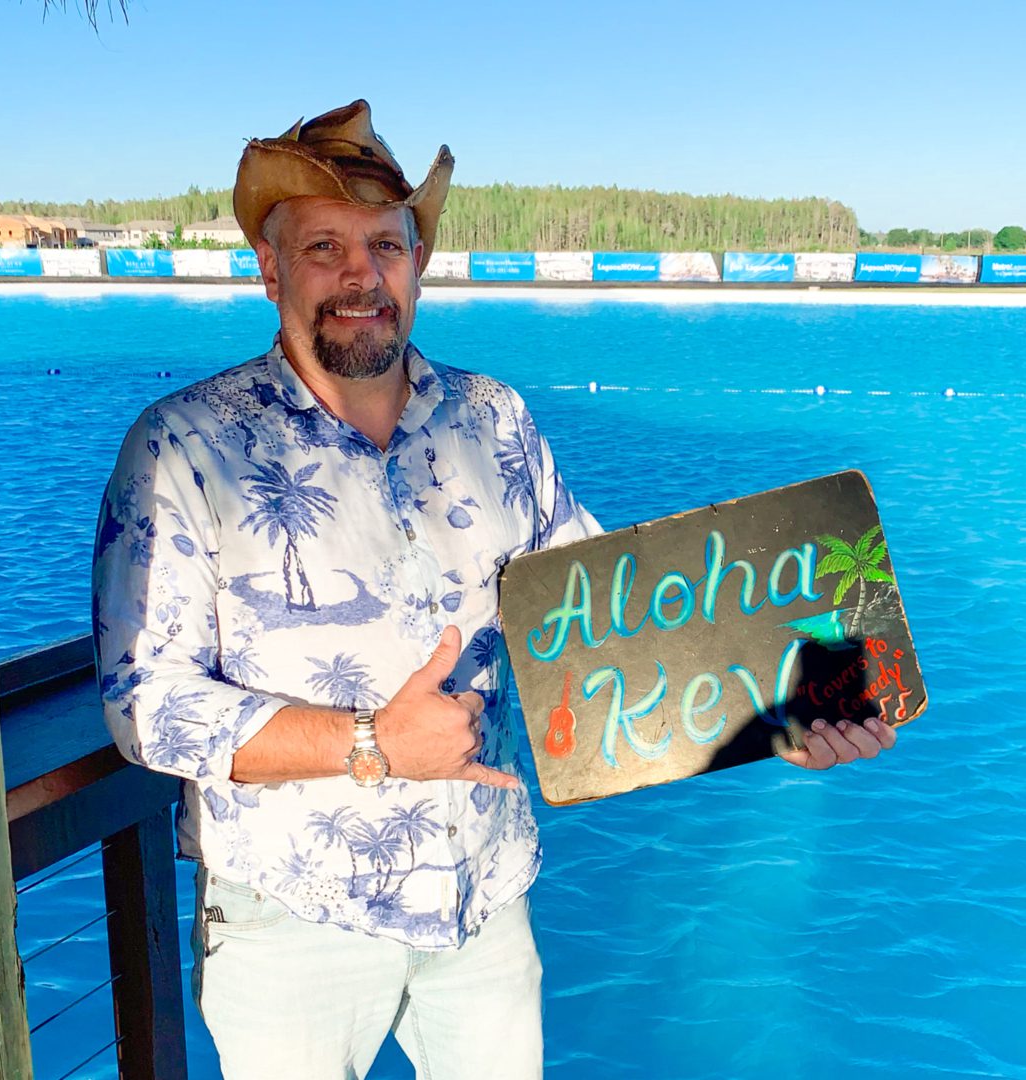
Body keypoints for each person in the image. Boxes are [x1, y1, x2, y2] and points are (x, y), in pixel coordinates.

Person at [92, 100, 897, 1080]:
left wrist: (778, 708)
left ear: (418, 262)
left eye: (386, 245)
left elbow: (601, 609)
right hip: (293, 919)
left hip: (486, 895)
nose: (361, 275)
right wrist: (372, 744)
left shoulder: (494, 419)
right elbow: (145, 702)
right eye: (324, 247)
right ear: (270, 268)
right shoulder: (182, 447)